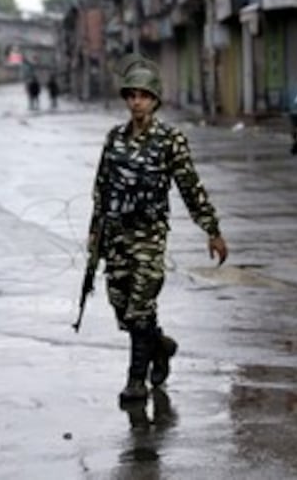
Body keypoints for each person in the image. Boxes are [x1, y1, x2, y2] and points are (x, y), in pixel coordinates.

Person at [86, 55, 229, 404]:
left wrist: (211, 229)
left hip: (148, 236)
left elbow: (189, 186)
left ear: (154, 100)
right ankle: (160, 346)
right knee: (121, 306)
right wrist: (95, 236)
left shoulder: (170, 140)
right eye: (131, 95)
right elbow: (101, 187)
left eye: (144, 96)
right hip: (116, 235)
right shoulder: (114, 138)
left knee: (139, 306)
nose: (137, 101)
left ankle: (136, 382)